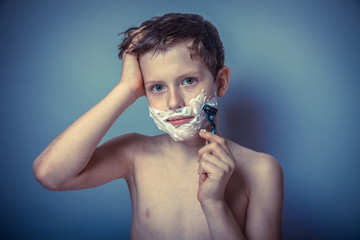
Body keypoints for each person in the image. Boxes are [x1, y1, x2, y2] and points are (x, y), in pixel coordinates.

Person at [33, 13, 284, 240]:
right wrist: (126, 89)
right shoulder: (135, 153)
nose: (174, 103)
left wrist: (214, 204)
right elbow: (50, 174)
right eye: (157, 87)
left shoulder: (260, 170)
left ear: (220, 81)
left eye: (188, 81)